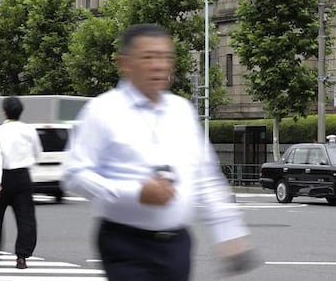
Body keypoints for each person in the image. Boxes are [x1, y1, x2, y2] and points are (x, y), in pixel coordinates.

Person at [62, 24, 255, 281]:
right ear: (125, 63)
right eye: (148, 57)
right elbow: (74, 174)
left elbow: (206, 177)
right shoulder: (103, 110)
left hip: (176, 244)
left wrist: (229, 232)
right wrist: (135, 192)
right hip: (125, 242)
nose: (159, 65)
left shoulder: (181, 110)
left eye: (165, 57)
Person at [0, 96, 42, 269]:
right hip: (23, 177)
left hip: (3, 176)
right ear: (21, 111)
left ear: (4, 112)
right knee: (26, 219)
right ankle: (22, 257)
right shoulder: (30, 130)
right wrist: (28, 163)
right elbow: (38, 152)